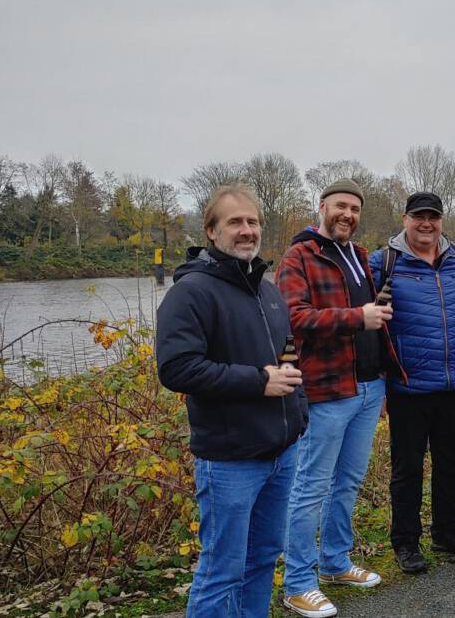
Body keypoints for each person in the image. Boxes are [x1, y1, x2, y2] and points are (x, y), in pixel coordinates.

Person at [156, 185, 308, 618]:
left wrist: (300, 415)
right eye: (235, 222)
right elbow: (178, 369)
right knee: (222, 571)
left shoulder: (268, 290)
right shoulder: (191, 293)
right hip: (230, 460)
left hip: (282, 453)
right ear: (211, 231)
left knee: (263, 561)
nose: (246, 230)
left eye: (253, 221)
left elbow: (288, 361)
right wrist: (258, 381)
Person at [275, 179, 394, 617]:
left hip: (367, 387)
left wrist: (381, 380)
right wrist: (356, 318)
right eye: (341, 206)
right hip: (326, 390)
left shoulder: (359, 255)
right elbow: (292, 317)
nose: (348, 215)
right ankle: (298, 583)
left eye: (355, 209)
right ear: (322, 207)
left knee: (347, 482)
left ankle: (335, 562)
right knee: (310, 487)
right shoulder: (298, 256)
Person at [368, 192, 455, 573]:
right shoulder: (384, 262)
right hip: (407, 386)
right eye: (419, 217)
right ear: (405, 219)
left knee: (451, 463)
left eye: (433, 217)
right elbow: (370, 326)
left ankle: (446, 533)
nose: (427, 224)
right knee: (407, 468)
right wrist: (380, 380)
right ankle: (406, 542)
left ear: (442, 220)